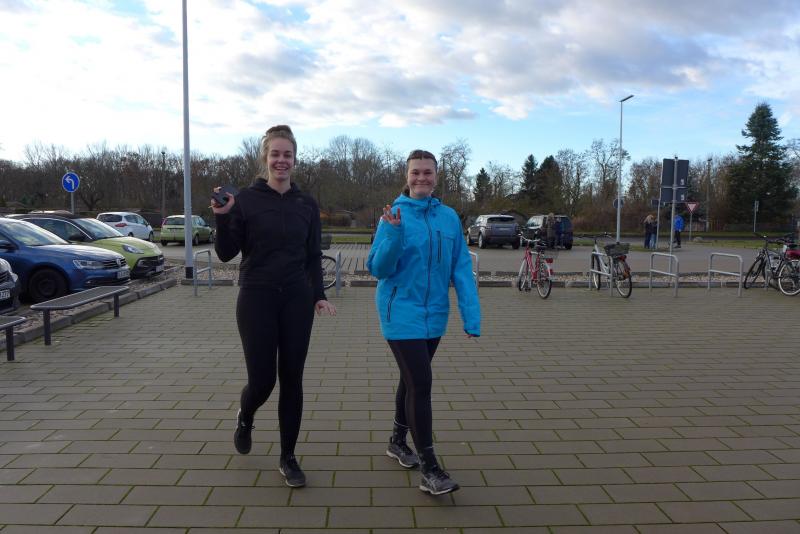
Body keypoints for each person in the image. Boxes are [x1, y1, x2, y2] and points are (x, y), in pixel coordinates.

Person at [211, 125, 336, 488]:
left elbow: (313, 255)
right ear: (265, 157)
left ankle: (288, 457)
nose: (282, 160)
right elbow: (226, 253)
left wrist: (319, 294)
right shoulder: (245, 200)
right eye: (275, 154)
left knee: (292, 379)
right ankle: (246, 414)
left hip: (296, 299)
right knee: (263, 381)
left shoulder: (306, 203)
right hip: (257, 297)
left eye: (288, 154)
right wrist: (223, 216)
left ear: (295, 159)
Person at [367, 149, 481, 496]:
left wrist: (471, 314)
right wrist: (393, 234)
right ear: (407, 176)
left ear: (436, 176)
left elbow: (461, 267)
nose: (421, 178)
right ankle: (430, 469)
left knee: (411, 379)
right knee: (421, 383)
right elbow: (377, 269)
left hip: (434, 315)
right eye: (415, 172)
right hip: (400, 311)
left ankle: (397, 441)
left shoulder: (448, 217)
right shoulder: (393, 214)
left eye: (427, 172)